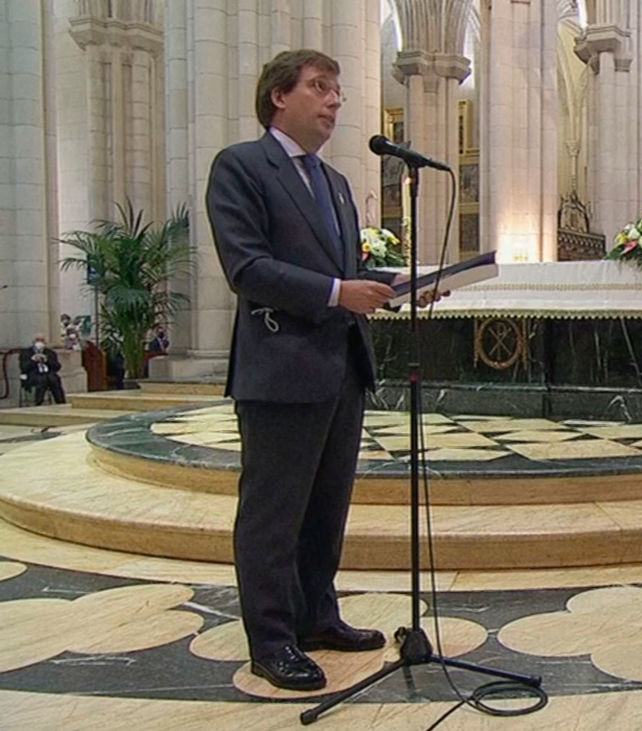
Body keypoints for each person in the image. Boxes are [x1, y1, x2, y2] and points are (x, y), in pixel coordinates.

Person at [206, 49, 404, 692]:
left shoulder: (337, 183)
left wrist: (400, 285)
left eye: (338, 90)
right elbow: (248, 268)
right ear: (277, 98)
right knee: (273, 513)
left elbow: (346, 275)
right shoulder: (241, 167)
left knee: (326, 507)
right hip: (281, 367)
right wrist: (337, 293)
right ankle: (271, 639)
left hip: (340, 366)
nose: (335, 100)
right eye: (320, 87)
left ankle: (317, 615)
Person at [19, 333, 65, 405]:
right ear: (33, 342)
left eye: (42, 340)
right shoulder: (26, 353)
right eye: (37, 340)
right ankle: (38, 402)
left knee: (54, 379)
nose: (39, 342)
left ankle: (60, 402)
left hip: (48, 374)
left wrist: (46, 360)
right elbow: (23, 368)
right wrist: (33, 361)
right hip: (33, 375)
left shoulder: (50, 353)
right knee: (42, 380)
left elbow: (57, 367)